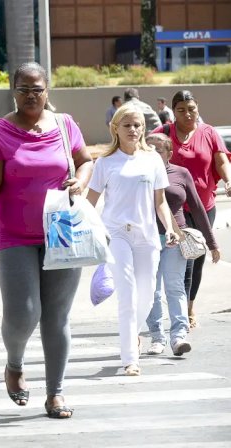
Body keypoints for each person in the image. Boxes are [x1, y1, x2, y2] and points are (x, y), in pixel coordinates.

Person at [0, 62, 93, 419]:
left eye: (37, 89)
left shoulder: (64, 124)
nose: (30, 95)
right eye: (24, 89)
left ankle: (55, 393)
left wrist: (82, 180)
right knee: (24, 312)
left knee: (56, 316)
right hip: (13, 235)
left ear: (47, 90)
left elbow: (85, 161)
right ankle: (14, 364)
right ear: (13, 90)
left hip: (61, 231)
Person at [86, 104, 179, 377]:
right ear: (116, 128)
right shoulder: (104, 163)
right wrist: (89, 232)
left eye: (137, 125)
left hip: (147, 235)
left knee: (147, 296)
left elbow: (160, 202)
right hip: (116, 234)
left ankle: (133, 335)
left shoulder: (152, 161)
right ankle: (130, 358)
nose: (133, 130)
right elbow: (90, 203)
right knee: (126, 295)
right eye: (127, 125)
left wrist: (170, 228)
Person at [153, 90, 231, 328]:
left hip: (203, 206)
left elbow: (221, 159)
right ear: (173, 112)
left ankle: (189, 306)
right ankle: (175, 309)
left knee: (196, 259)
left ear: (198, 108)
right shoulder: (163, 133)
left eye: (192, 109)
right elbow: (142, 152)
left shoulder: (208, 132)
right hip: (172, 208)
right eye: (181, 110)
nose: (188, 114)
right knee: (179, 260)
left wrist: (228, 180)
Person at [144, 133, 219, 357]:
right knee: (152, 291)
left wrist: (212, 242)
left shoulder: (180, 173)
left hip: (174, 238)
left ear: (169, 153)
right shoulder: (138, 174)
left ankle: (178, 337)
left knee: (175, 286)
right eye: (149, 149)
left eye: (158, 149)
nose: (153, 153)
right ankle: (157, 337)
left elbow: (197, 207)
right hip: (146, 240)